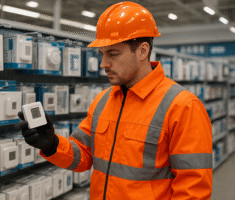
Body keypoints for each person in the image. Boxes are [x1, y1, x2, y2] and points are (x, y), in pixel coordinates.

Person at [18, 1, 213, 199]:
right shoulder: (103, 101)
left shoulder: (182, 106)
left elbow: (193, 190)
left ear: (142, 51)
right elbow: (84, 158)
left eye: (113, 54)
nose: (103, 64)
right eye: (102, 54)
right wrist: (51, 145)